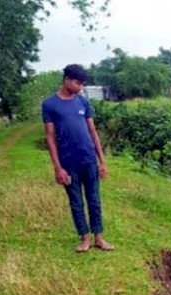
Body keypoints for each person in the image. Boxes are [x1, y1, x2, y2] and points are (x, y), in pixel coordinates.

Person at [42, 64, 114, 253]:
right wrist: (58, 167)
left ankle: (98, 237)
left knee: (94, 199)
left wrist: (102, 161)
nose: (80, 87)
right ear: (66, 80)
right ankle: (84, 239)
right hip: (68, 162)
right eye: (77, 83)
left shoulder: (83, 103)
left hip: (89, 159)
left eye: (82, 84)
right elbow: (50, 137)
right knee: (76, 201)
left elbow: (92, 131)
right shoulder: (49, 105)